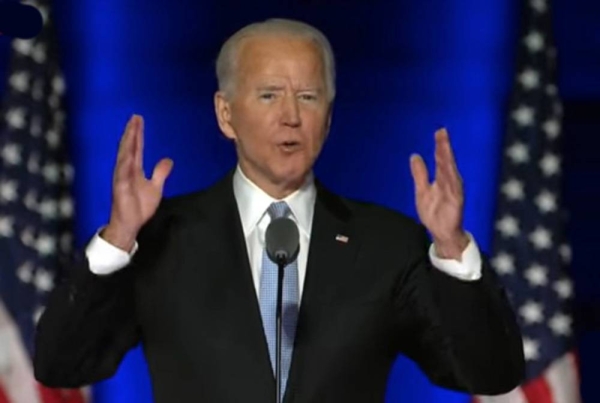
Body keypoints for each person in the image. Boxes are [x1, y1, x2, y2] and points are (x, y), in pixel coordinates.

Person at [34, 18, 525, 403]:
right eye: (269, 95)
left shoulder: (387, 244)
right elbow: (62, 367)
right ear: (226, 114)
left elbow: (490, 374)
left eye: (308, 97)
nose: (290, 115)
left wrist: (453, 248)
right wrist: (118, 239)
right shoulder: (164, 240)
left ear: (328, 118)